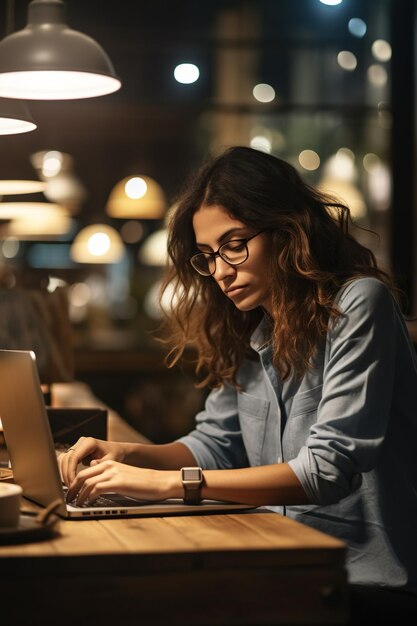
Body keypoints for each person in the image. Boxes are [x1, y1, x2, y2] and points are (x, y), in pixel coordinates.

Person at [59, 146, 417, 622]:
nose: (222, 270)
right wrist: (127, 454)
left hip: (362, 579)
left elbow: (326, 471)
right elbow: (215, 444)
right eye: (209, 255)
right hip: (276, 554)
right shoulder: (253, 328)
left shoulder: (359, 305)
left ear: (290, 229)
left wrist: (166, 484)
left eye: (235, 243)